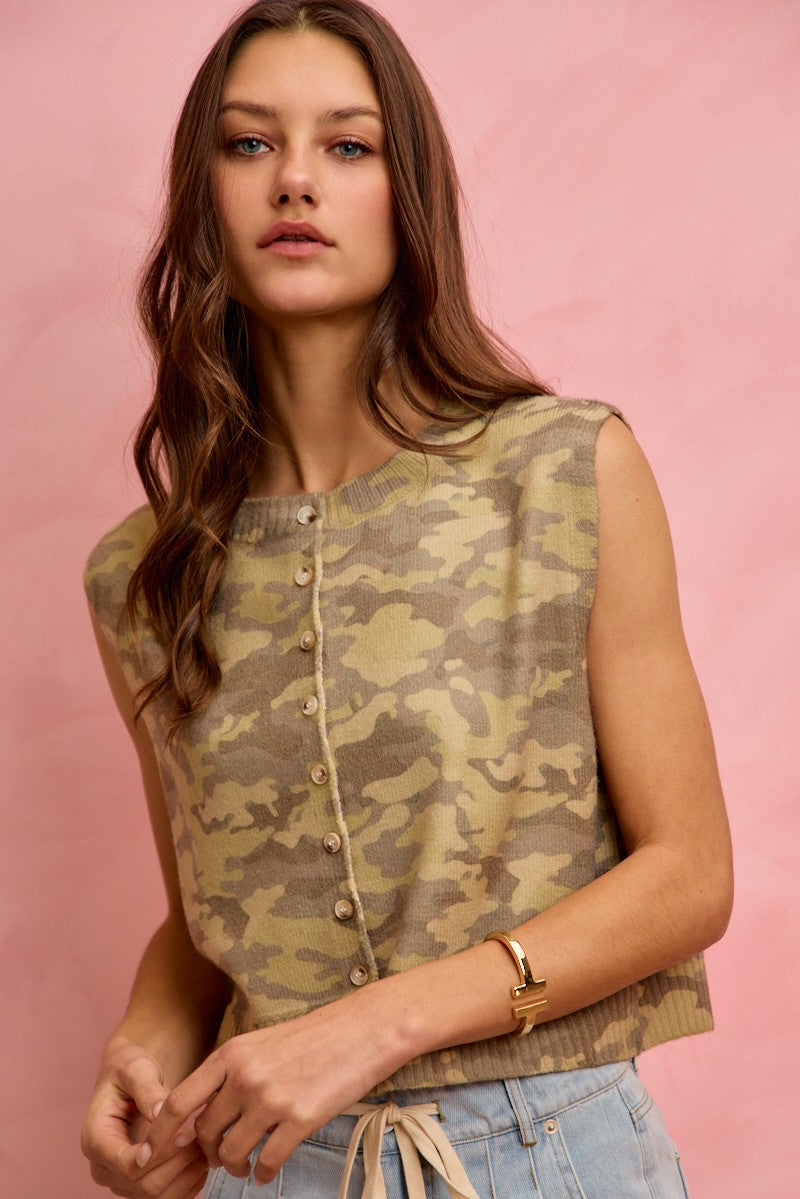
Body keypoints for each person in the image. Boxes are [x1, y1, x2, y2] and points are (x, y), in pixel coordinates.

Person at [80, 2, 733, 1197]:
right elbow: (204, 918)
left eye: (346, 144)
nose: (293, 179)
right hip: (267, 1167)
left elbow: (687, 875)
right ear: (202, 197)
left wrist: (376, 1024)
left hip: (547, 1154)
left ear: (407, 190)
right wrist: (148, 1040)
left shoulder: (562, 470)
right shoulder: (142, 573)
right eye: (247, 143)